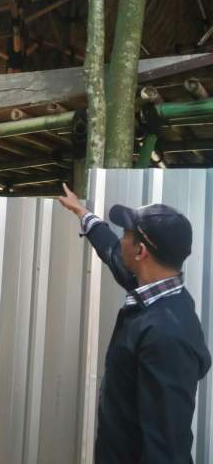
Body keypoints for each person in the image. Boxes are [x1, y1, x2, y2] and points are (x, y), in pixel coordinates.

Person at [59, 183, 211, 464]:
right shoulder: (156, 288)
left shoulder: (167, 335)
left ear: (141, 251)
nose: (121, 240)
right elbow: (113, 253)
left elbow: (166, 449)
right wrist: (82, 212)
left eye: (126, 234)